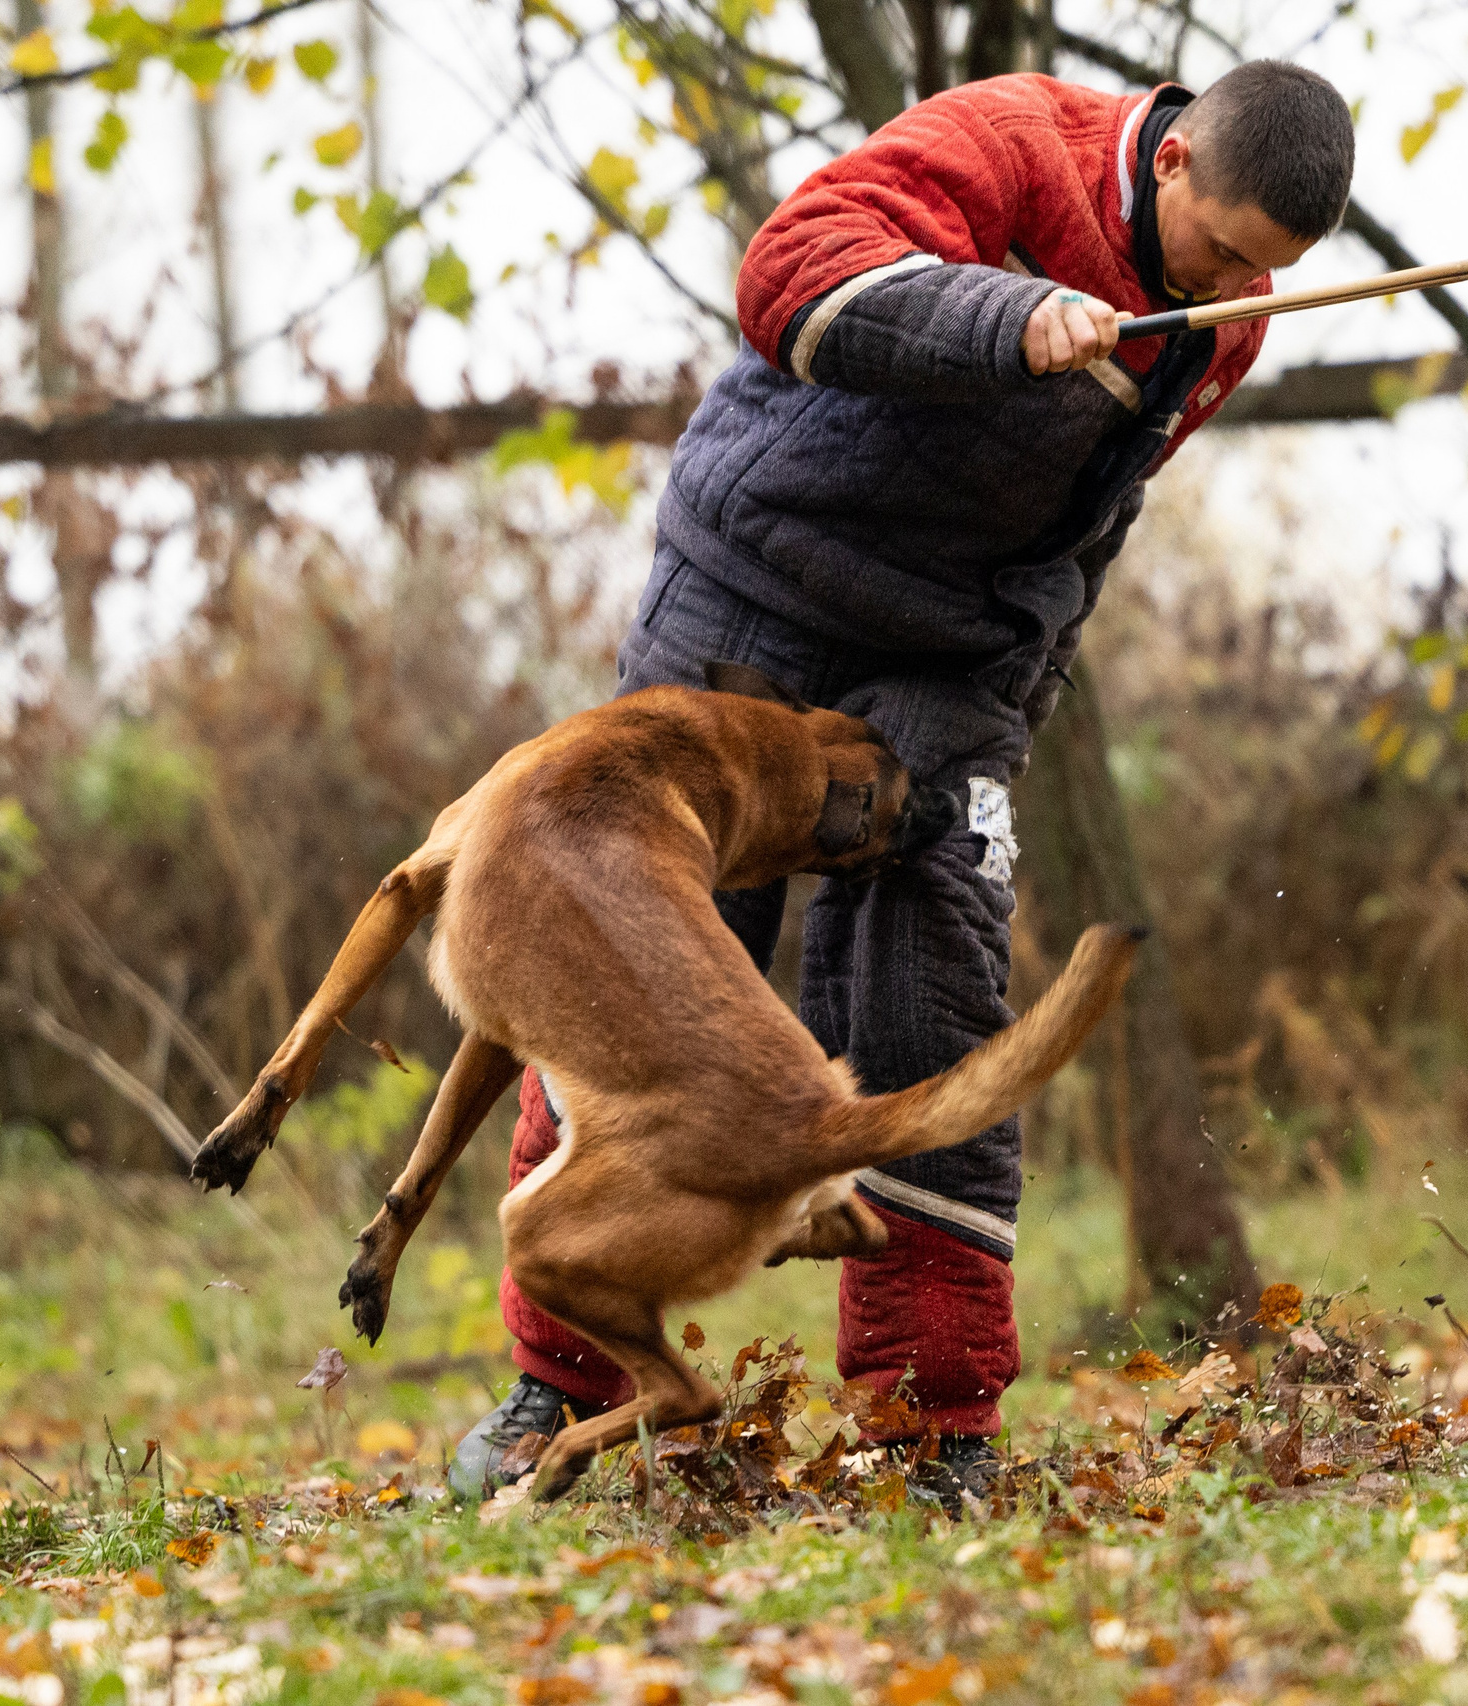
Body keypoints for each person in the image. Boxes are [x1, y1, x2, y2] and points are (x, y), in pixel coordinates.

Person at [451, 60, 1355, 1505]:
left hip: (950, 655)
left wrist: (1012, 701)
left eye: (1271, 273)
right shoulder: (1007, 139)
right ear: (1173, 158)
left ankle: (935, 1433)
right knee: (639, 963)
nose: (1240, 286)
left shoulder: (1216, 324)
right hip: (762, 577)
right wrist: (1012, 317)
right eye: (1229, 248)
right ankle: (555, 1385)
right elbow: (792, 274)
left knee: (935, 993)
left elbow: (1087, 532)